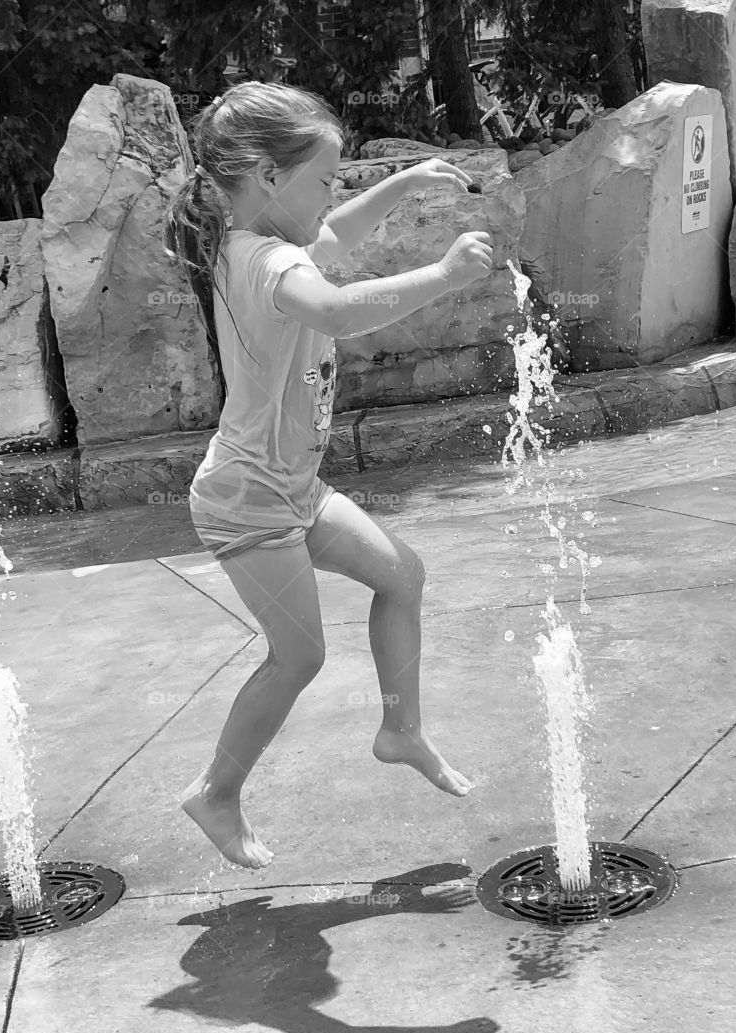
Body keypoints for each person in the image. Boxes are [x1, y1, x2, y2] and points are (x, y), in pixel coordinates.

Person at [163, 81, 493, 870]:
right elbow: (339, 310)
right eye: (322, 178)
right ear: (270, 179)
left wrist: (407, 181)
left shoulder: (264, 240)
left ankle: (400, 727)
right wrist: (443, 274)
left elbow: (337, 231)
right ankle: (215, 790)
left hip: (291, 489)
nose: (331, 195)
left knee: (401, 575)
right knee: (299, 655)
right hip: (248, 500)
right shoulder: (269, 261)